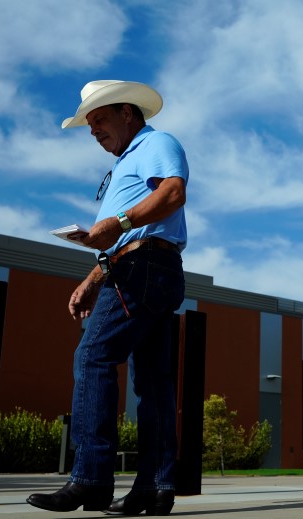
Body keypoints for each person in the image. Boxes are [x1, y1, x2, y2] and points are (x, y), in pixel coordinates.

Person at [27, 80, 189, 516]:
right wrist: (93, 278)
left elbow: (173, 194)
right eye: (89, 124)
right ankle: (156, 488)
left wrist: (116, 222)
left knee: (93, 357)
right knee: (152, 383)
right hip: (146, 267)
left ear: (128, 114)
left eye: (99, 119)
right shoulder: (126, 164)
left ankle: (91, 478)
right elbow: (130, 236)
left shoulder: (155, 143)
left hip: (145, 269)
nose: (93, 130)